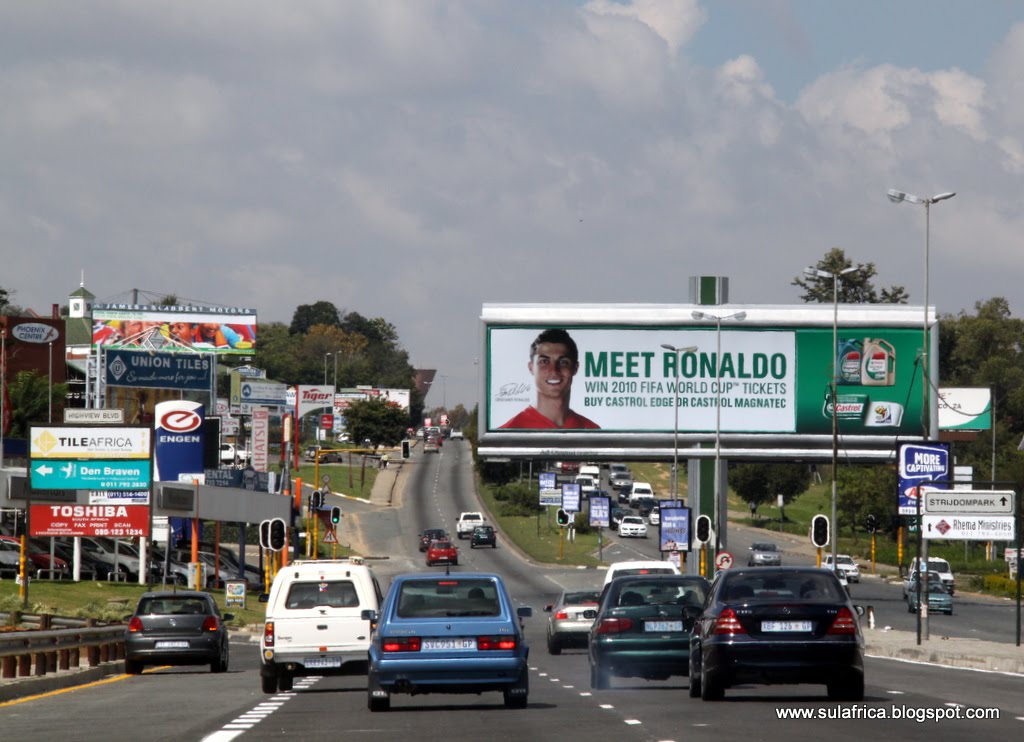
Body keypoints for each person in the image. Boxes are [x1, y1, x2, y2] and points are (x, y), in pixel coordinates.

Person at [499, 328, 600, 429]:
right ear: (531, 368)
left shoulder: (592, 430)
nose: (554, 371)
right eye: (544, 361)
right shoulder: (507, 433)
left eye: (563, 362)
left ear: (575, 368)